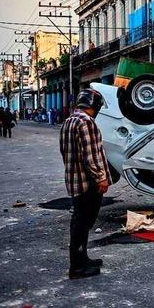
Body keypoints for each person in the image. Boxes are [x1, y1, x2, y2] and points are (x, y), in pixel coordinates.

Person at [59, 89, 112, 279]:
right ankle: (77, 268)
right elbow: (91, 156)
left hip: (74, 180)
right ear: (94, 105)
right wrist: (101, 178)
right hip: (88, 182)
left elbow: (65, 151)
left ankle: (82, 259)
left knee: (80, 221)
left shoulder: (69, 121)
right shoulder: (86, 122)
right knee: (83, 222)